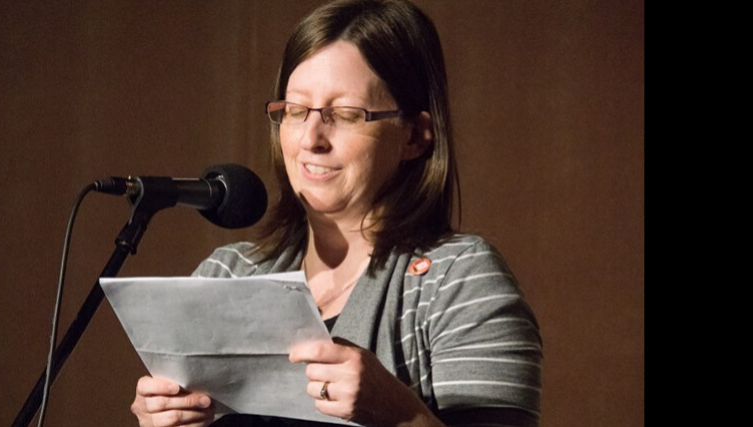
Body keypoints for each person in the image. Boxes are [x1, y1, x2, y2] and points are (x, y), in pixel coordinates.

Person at [130, 1, 542, 426]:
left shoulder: (455, 280)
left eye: (344, 115)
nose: (311, 138)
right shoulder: (226, 277)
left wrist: (402, 415)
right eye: (296, 111)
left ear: (415, 137)